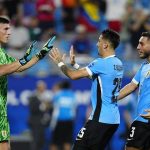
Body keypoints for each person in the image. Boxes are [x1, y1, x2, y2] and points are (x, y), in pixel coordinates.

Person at [49, 29, 123, 150]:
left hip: (100, 119)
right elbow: (99, 80)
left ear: (105, 45)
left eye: (99, 41)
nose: (97, 44)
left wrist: (60, 63)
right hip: (114, 120)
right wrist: (75, 65)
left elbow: (72, 76)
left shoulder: (100, 63)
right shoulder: (118, 63)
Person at [0, 16, 56, 150]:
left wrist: (39, 55)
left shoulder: (2, 52)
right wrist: (22, 61)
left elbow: (19, 68)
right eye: (6, 29)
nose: (9, 32)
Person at [117, 31, 150, 150]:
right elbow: (132, 85)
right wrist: (111, 98)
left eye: (142, 44)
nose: (138, 47)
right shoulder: (144, 66)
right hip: (141, 120)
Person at [50, 80, 76, 150]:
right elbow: (74, 109)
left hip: (59, 121)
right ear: (69, 87)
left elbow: (54, 108)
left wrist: (52, 123)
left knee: (55, 142)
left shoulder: (58, 95)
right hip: (69, 121)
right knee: (67, 142)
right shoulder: (72, 95)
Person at [28, 80, 53, 150]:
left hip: (43, 123)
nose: (43, 88)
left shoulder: (46, 96)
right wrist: (44, 106)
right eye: (42, 87)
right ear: (38, 87)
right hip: (35, 122)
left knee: (41, 141)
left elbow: (50, 108)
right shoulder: (33, 96)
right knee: (35, 140)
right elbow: (33, 109)